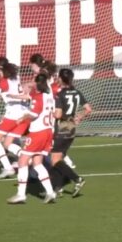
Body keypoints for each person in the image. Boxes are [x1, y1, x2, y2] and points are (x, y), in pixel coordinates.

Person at [7, 73, 58, 205]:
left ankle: (21, 194)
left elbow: (34, 114)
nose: (32, 84)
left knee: (23, 161)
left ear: (38, 84)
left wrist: (22, 118)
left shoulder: (38, 97)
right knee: (37, 163)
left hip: (38, 133)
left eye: (34, 82)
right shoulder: (49, 95)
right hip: (48, 131)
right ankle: (50, 192)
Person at [51, 68, 93, 197]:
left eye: (58, 77)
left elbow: (57, 114)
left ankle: (77, 179)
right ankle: (58, 187)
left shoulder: (59, 94)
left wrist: (48, 112)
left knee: (54, 160)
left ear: (61, 79)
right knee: (59, 158)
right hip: (72, 126)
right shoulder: (76, 92)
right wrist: (79, 117)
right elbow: (88, 109)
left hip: (63, 126)